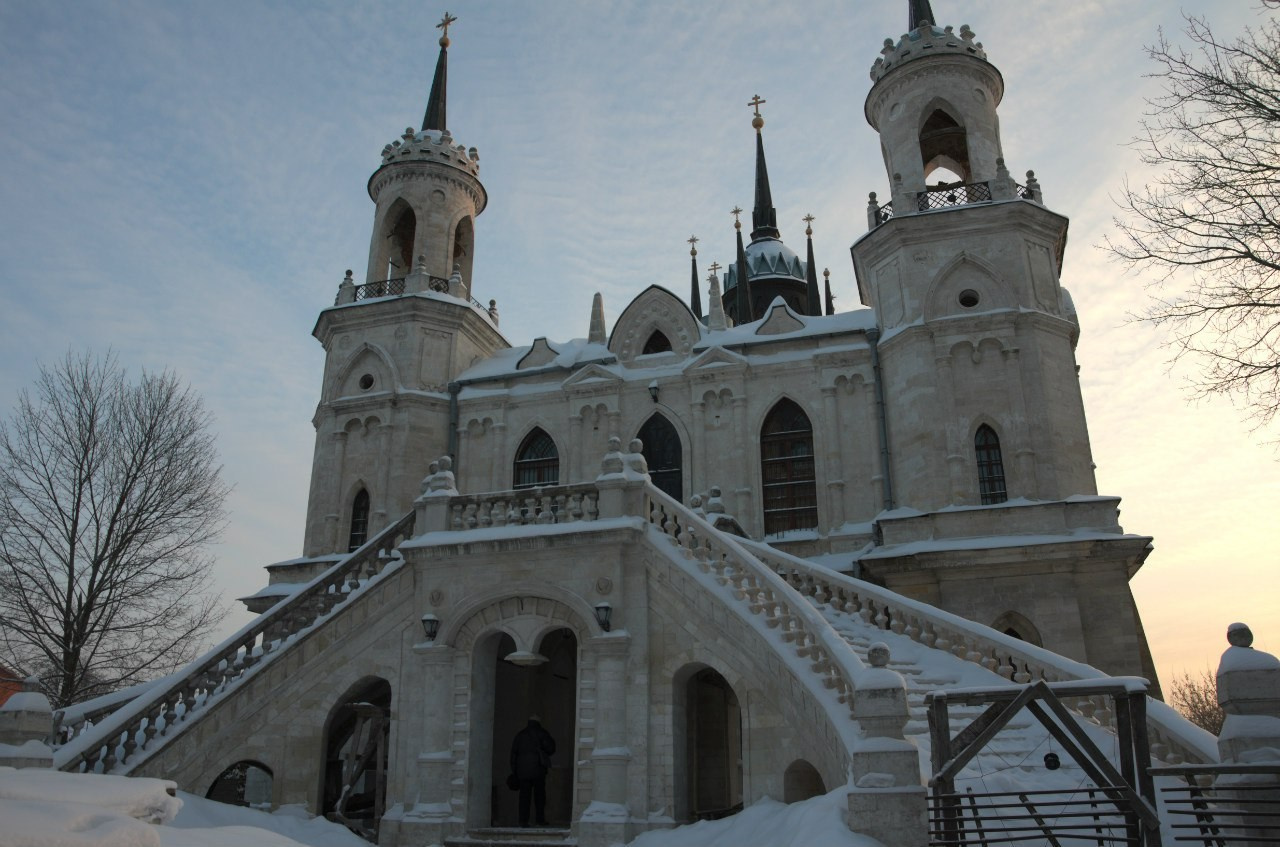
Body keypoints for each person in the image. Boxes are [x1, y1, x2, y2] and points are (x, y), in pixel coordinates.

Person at [509, 715, 555, 827]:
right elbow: (551, 749)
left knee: (524, 797)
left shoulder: (520, 735)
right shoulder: (542, 733)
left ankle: (523, 821)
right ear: (539, 722)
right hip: (538, 770)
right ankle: (540, 820)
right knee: (539, 797)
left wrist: (515, 771)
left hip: (523, 772)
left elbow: (513, 755)